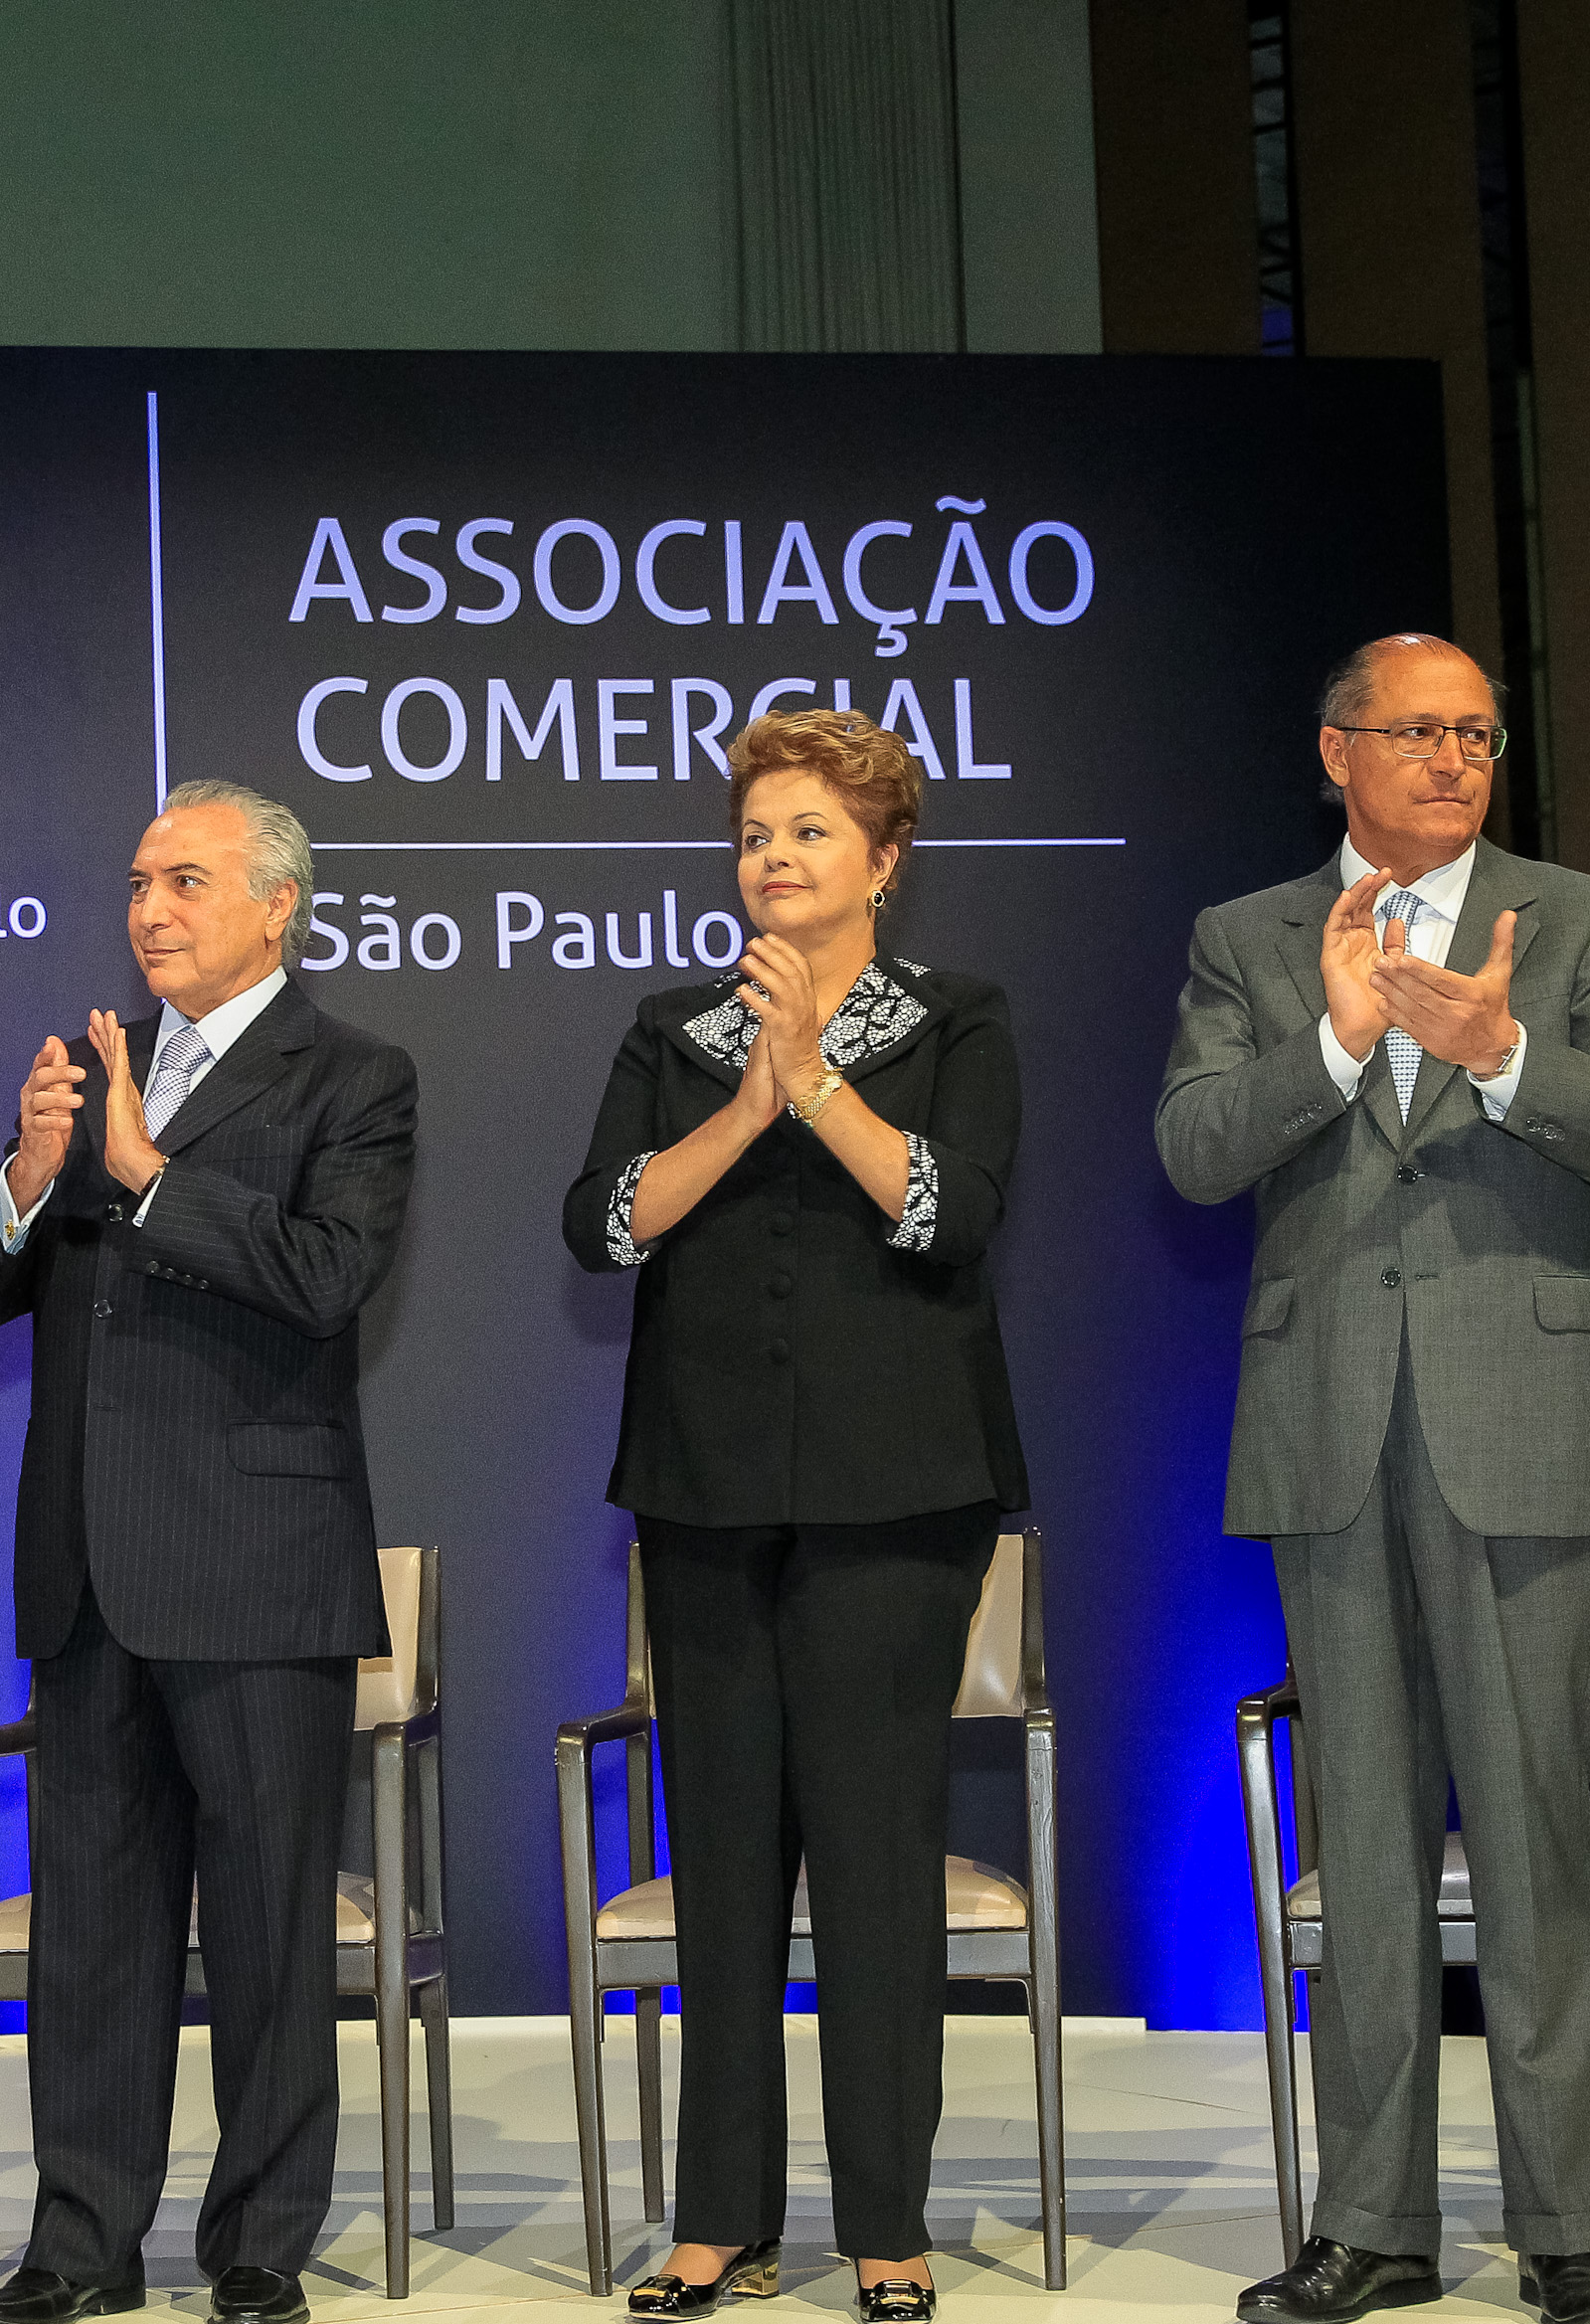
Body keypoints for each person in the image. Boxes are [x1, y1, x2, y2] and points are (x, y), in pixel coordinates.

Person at [1159, 634, 1590, 2324]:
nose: (1454, 758)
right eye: (1417, 730)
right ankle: (1368, 2223)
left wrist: (1500, 1046)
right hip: (1326, 1426)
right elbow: (1191, 1147)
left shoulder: (1577, 912)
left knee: (1531, 1836)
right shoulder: (1246, 937)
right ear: (1336, 751)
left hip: (1517, 1421)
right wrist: (1332, 1036)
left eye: (1476, 732)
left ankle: (1564, 2231)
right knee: (1362, 1845)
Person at [561, 708, 1027, 2324]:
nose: (773, 856)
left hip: (896, 1497)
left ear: (884, 861)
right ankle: (718, 2224)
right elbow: (605, 1221)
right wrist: (747, 1101)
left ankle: (886, 2227)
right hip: (700, 1491)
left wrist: (815, 1082)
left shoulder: (956, 1019)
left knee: (876, 1861)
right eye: (756, 833)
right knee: (726, 1864)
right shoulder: (672, 1030)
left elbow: (947, 1210)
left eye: (810, 832)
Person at [0, 779, 418, 2324]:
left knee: (270, 1927)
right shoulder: (93, 1066)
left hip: (256, 1563)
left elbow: (327, 1274)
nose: (149, 907)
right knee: (91, 1928)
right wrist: (28, 1167)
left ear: (277, 904)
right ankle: (78, 2245)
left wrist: (147, 1175)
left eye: (184, 880)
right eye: (139, 879)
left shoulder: (353, 1074)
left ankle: (259, 2242)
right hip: (86, 1569)